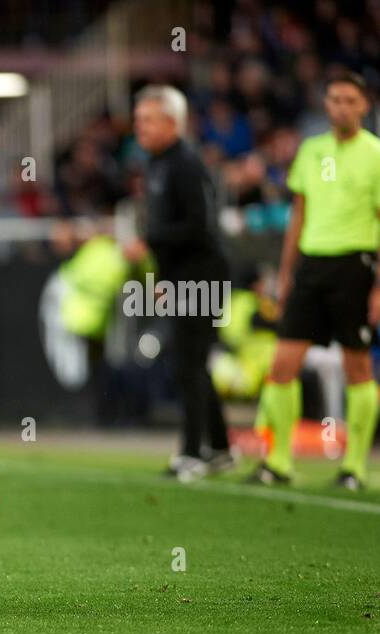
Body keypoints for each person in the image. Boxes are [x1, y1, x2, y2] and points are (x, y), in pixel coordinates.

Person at [250, 69, 380, 490]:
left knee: (357, 366)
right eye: (335, 99)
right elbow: (299, 215)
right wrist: (286, 275)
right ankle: (279, 461)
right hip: (310, 266)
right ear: (325, 104)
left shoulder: (375, 155)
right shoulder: (311, 151)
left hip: (355, 265)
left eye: (350, 100)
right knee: (281, 365)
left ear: (365, 106)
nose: (341, 106)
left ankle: (354, 467)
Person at [125, 84, 233, 481]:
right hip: (183, 275)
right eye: (139, 120)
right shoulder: (157, 163)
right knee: (193, 363)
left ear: (173, 122)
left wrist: (149, 244)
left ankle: (192, 453)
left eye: (149, 120)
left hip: (203, 274)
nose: (141, 128)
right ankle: (220, 448)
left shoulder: (186, 162)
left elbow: (199, 225)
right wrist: (165, 277)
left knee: (189, 364)